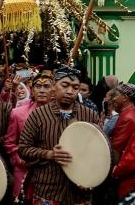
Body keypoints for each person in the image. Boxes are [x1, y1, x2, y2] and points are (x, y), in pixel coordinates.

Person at [18, 66, 100, 204]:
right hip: (48, 188)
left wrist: (91, 178)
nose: (70, 91)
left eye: (75, 87)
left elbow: (98, 151)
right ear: (54, 87)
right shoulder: (38, 115)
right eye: (65, 85)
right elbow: (23, 149)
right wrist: (49, 154)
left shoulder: (89, 115)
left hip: (80, 190)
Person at [4, 72, 54, 199]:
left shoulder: (60, 114)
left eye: (47, 86)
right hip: (24, 169)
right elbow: (9, 143)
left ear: (54, 90)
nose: (42, 90)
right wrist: (21, 158)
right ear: (31, 90)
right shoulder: (18, 113)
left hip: (52, 170)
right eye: (38, 86)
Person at [110, 83, 135, 156]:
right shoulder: (127, 113)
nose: (114, 99)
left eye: (116, 95)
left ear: (125, 97)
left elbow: (116, 146)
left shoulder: (128, 118)